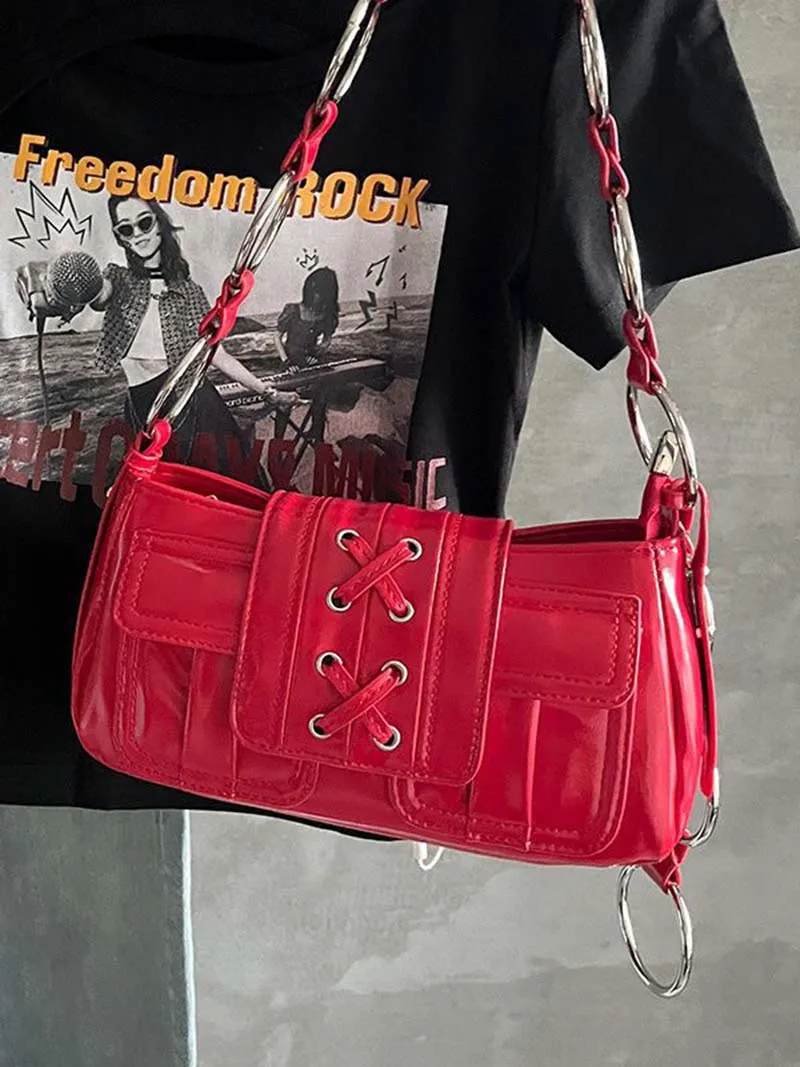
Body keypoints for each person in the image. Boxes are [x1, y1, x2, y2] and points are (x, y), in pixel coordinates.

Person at [89, 195, 296, 476]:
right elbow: (95, 292)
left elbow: (216, 354)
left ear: (159, 225)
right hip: (142, 405)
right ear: (121, 238)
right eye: (126, 229)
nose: (137, 234)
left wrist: (269, 392)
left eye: (144, 223)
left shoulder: (190, 292)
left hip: (193, 402)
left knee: (226, 483)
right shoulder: (117, 279)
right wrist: (51, 294)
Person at [275, 265, 340, 367]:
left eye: (322, 294)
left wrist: (316, 355)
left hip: (312, 360)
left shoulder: (328, 314)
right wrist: (286, 361)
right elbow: (277, 337)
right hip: (291, 361)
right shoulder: (292, 310)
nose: (317, 297)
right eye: (315, 293)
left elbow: (327, 339)